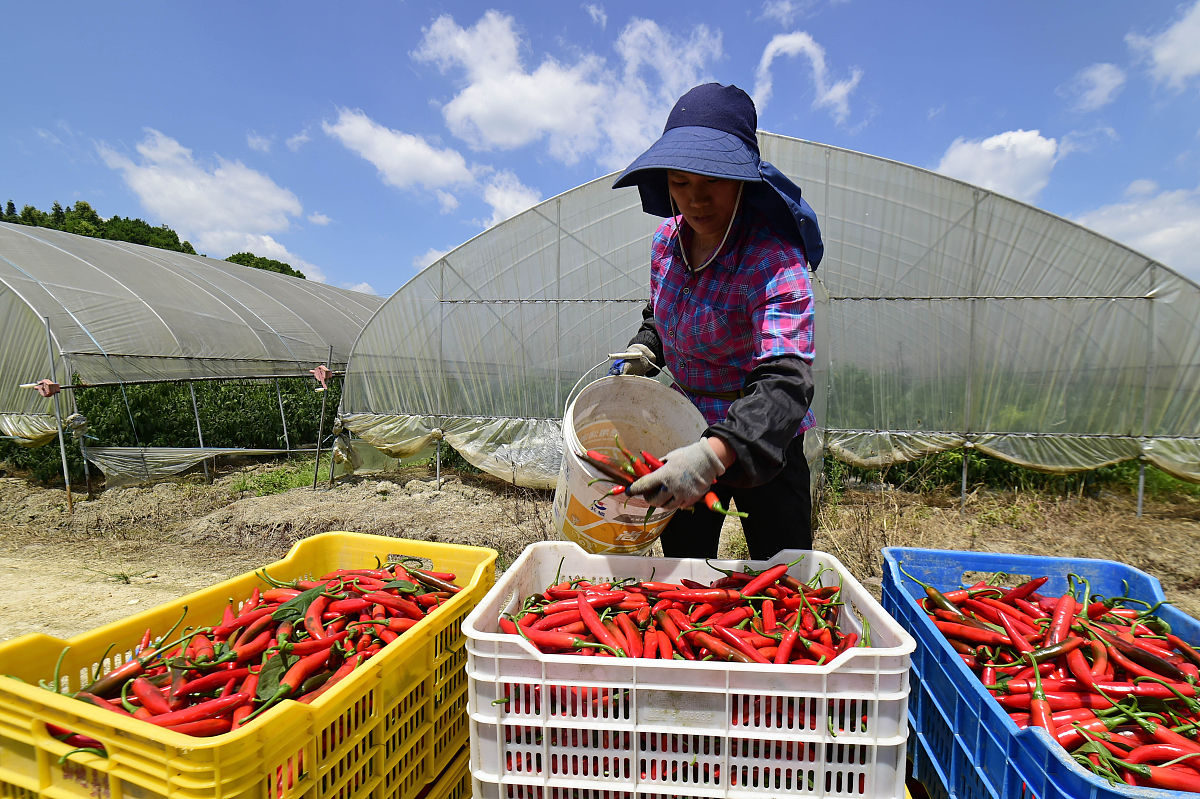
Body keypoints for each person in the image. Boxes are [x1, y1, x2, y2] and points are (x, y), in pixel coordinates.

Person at [607, 82, 823, 560]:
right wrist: (647, 345)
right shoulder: (666, 241)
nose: (695, 200)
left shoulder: (774, 261)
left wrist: (712, 455)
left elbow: (785, 382)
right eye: (680, 184)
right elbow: (665, 308)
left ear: (744, 180)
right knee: (684, 567)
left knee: (781, 570)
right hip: (683, 426)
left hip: (764, 437)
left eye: (712, 183)